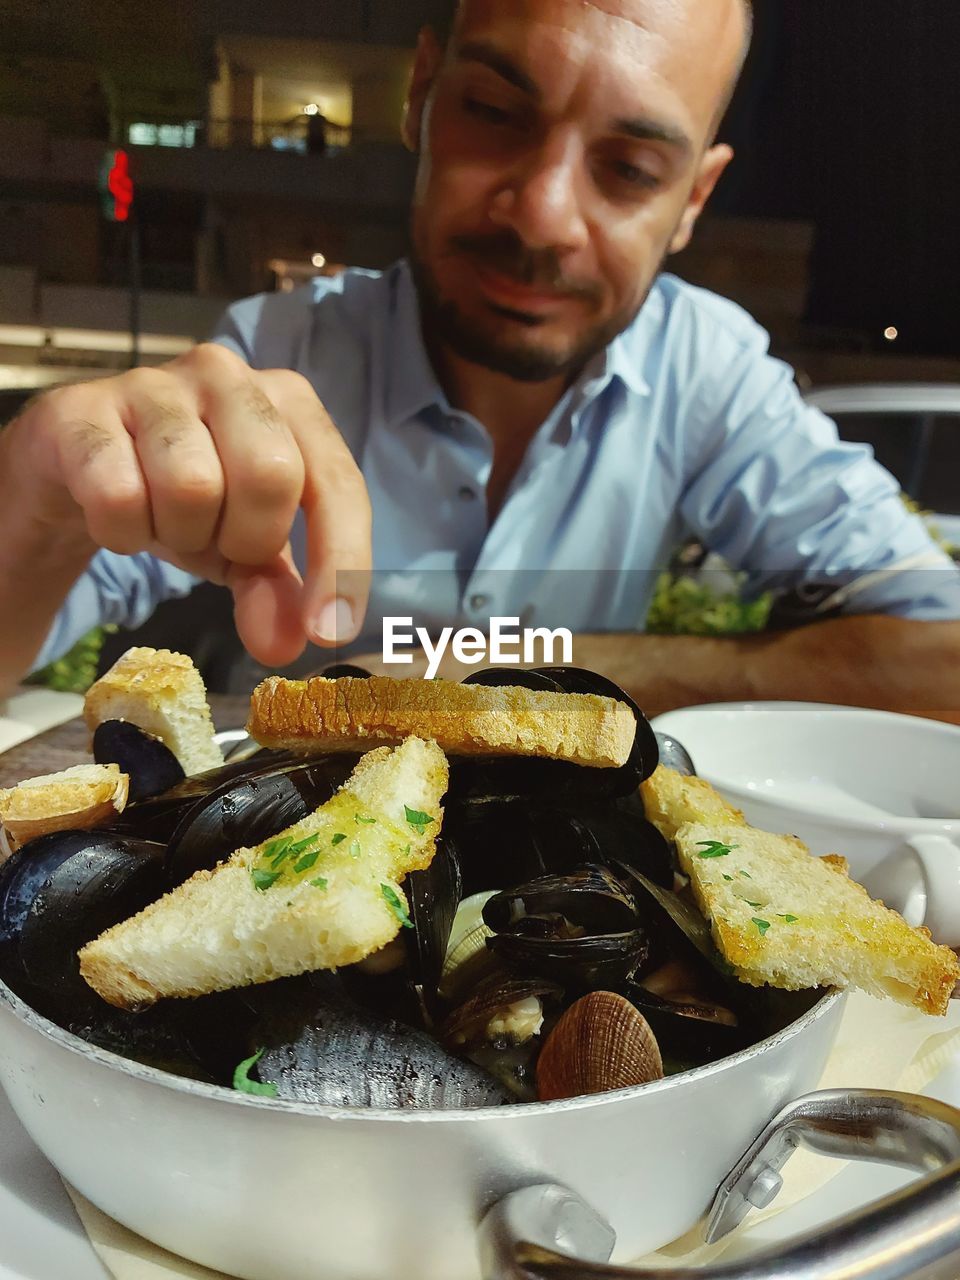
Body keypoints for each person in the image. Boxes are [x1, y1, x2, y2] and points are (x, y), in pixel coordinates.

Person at [1, 0, 958, 716]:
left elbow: (943, 656)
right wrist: (35, 508)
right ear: (422, 98)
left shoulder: (708, 372)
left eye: (629, 170)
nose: (542, 216)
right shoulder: (278, 355)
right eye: (496, 113)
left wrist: (523, 671)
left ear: (693, 203)